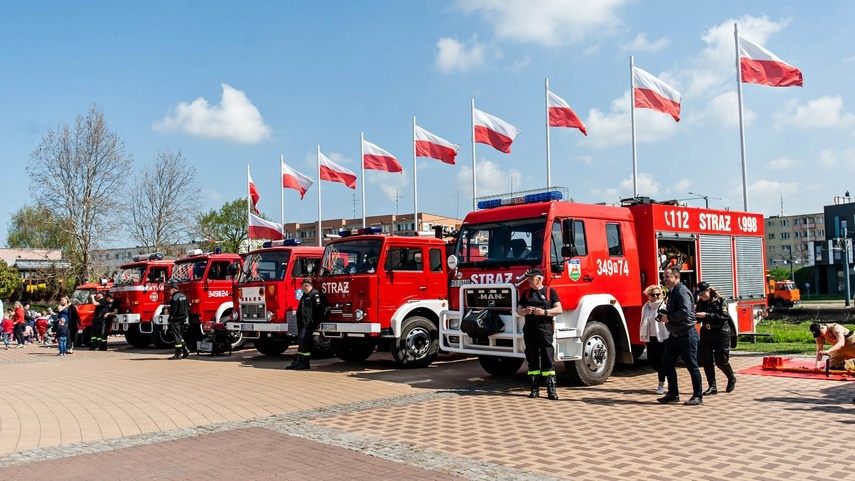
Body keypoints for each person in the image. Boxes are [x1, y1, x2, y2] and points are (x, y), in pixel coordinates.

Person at [657, 267, 703, 406]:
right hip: (675, 335)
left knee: (691, 365)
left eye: (667, 277)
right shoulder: (672, 291)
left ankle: (698, 396)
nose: (664, 279)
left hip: (687, 335)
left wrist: (668, 318)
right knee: (667, 362)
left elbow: (684, 312)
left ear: (676, 277)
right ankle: (673, 394)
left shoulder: (682, 291)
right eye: (664, 276)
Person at [515, 268, 563, 400]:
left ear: (539, 279)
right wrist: (525, 311)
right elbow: (518, 310)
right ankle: (534, 389)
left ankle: (551, 390)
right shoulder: (526, 293)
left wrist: (544, 312)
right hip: (530, 329)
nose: (529, 280)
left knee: (548, 358)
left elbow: (559, 309)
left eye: (531, 278)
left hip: (545, 328)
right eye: (529, 278)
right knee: (532, 358)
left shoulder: (550, 292)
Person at [695, 281, 737, 395]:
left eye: (703, 293)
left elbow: (724, 317)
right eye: (700, 294)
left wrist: (707, 315)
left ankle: (731, 377)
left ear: (709, 290)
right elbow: (698, 319)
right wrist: (695, 315)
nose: (702, 296)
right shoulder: (701, 302)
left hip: (721, 333)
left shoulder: (720, 301)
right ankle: (712, 386)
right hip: (706, 333)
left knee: (721, 361)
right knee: (706, 361)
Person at [287, 278, 325, 370]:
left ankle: (305, 362)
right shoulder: (305, 295)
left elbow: (318, 309)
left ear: (306, 285)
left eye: (302, 284)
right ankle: (298, 360)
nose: (301, 286)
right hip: (302, 323)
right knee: (300, 341)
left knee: (304, 341)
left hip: (309, 323)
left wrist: (315, 322)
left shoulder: (314, 294)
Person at [639, 284, 669, 394]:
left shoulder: (664, 306)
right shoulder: (646, 307)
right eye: (653, 295)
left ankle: (661, 383)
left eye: (657, 294)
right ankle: (665, 373)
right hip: (650, 337)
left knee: (661, 361)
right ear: (648, 295)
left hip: (663, 337)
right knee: (652, 361)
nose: (655, 296)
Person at [166, 282, 189, 360]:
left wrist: (170, 318)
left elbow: (173, 310)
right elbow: (188, 307)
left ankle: (178, 353)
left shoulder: (174, 298)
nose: (169, 291)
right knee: (179, 335)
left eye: (170, 289)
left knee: (176, 337)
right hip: (183, 319)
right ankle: (185, 349)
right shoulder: (184, 296)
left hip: (176, 319)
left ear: (174, 289)